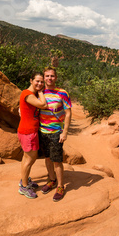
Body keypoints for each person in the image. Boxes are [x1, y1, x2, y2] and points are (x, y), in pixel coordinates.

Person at [39, 67, 72, 202]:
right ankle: (51, 180)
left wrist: (65, 132)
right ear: (44, 77)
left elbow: (68, 113)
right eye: (47, 76)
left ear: (56, 78)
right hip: (42, 131)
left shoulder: (62, 93)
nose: (49, 79)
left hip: (56, 132)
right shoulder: (39, 92)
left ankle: (60, 186)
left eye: (52, 76)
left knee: (57, 160)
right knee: (47, 158)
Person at [17, 71, 48, 199]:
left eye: (42, 82)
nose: (40, 83)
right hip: (28, 131)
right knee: (30, 159)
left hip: (29, 130)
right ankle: (24, 187)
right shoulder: (28, 94)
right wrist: (41, 92)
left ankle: (24, 180)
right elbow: (43, 105)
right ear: (31, 80)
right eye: (37, 81)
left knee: (27, 158)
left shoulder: (30, 94)